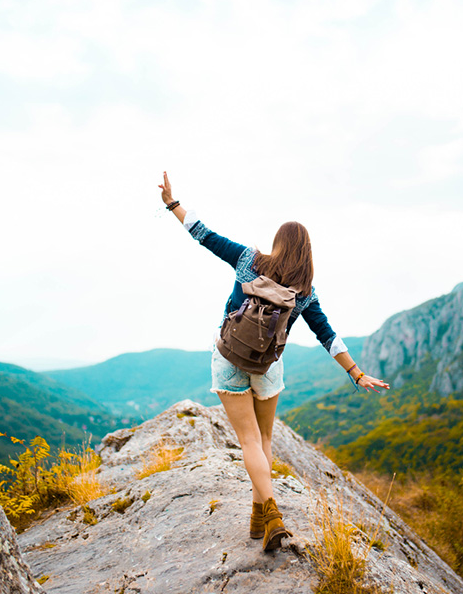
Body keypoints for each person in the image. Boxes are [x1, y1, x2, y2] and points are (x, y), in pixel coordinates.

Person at [158, 171, 389, 551]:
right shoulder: (305, 292)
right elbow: (328, 336)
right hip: (267, 367)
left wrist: (172, 204)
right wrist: (357, 373)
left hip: (229, 358)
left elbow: (202, 233)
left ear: (278, 244)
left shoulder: (248, 260)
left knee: (248, 441)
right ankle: (259, 518)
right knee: (263, 439)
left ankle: (271, 516)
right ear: (306, 252)